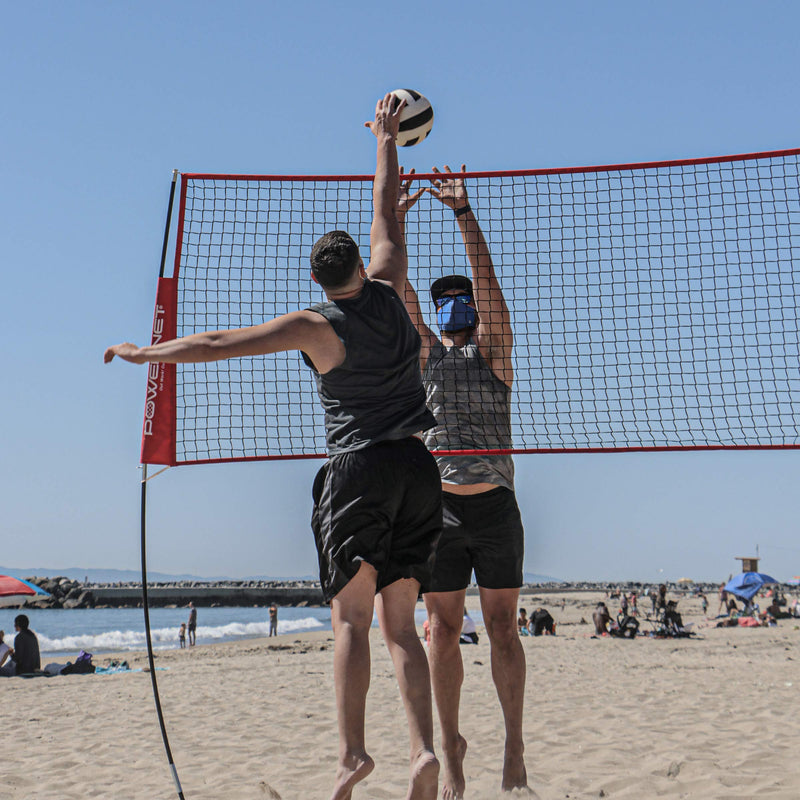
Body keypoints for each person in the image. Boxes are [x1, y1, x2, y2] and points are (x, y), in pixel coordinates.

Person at [105, 94, 442, 800]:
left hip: (359, 469)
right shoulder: (390, 279)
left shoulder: (313, 323)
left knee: (351, 618)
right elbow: (385, 202)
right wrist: (384, 137)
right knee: (402, 628)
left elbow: (217, 343)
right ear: (361, 262)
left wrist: (147, 354)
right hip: (419, 464)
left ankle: (352, 755)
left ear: (318, 279)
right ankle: (421, 751)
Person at [397, 164, 528, 796]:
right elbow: (397, 290)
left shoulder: (493, 352)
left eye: (463, 300)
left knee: (504, 629)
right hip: (441, 511)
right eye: (446, 298)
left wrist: (463, 212)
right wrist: (394, 216)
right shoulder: (425, 357)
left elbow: (490, 287)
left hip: (495, 508)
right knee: (440, 631)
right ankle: (450, 750)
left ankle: (514, 745)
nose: (457, 305)